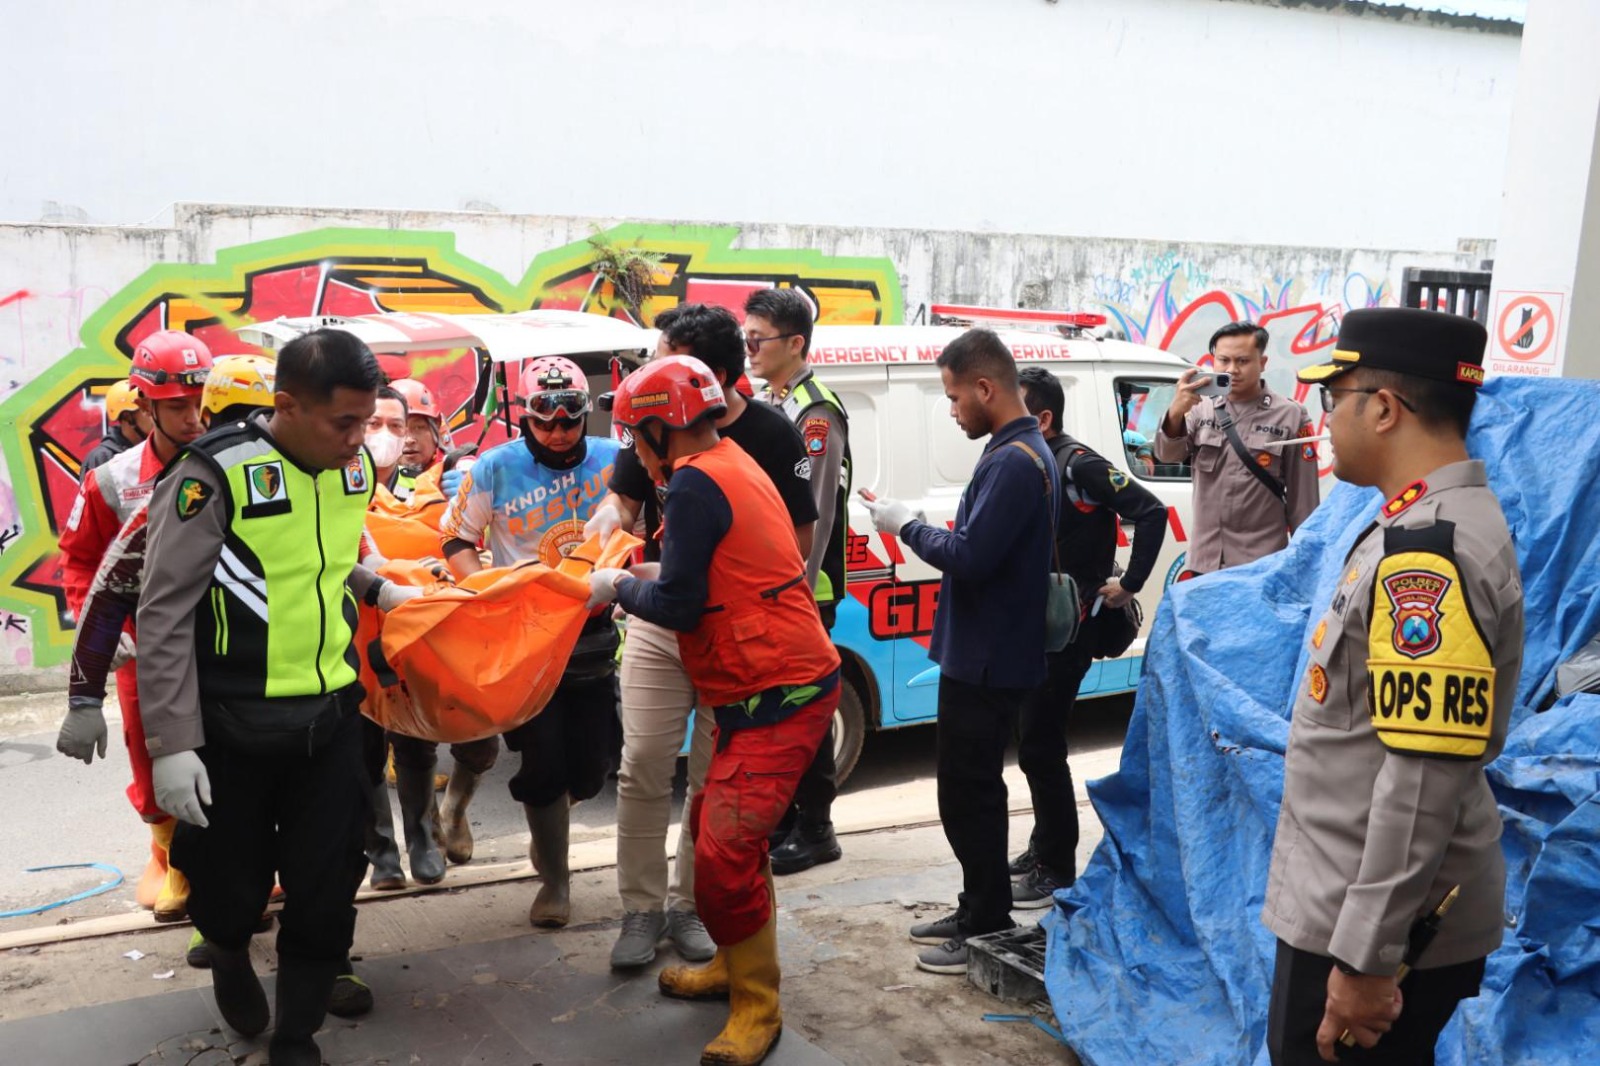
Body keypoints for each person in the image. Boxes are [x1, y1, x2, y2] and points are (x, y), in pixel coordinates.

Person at [136, 328, 420, 1066]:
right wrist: (172, 744)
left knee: (328, 888)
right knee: (229, 889)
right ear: (286, 405)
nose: (361, 441)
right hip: (231, 726)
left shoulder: (352, 470)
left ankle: (296, 1036)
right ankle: (230, 954)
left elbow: (316, 561)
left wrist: (376, 586)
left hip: (330, 719)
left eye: (369, 421)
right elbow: (163, 612)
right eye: (345, 422)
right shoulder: (212, 476)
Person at [1262, 308, 1522, 1065]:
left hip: (1371, 931)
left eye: (1333, 399)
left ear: (1383, 408)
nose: (1325, 419)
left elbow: (1422, 776)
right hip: (1355, 907)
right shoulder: (1418, 525)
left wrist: (1367, 960)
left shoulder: (1431, 555)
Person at [588, 354, 841, 1066]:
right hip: (758, 686)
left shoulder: (697, 482)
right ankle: (733, 964)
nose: (635, 451)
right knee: (713, 831)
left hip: (779, 690)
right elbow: (705, 573)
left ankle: (758, 1006)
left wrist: (614, 587)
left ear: (662, 428)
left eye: (636, 434)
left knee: (725, 852)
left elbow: (678, 603)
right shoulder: (725, 459)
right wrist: (644, 573)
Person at [859, 328, 1056, 975]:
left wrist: (905, 526)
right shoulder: (1016, 452)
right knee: (971, 792)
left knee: (969, 796)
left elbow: (970, 557)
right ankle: (978, 905)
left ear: (985, 388)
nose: (951, 410)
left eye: (952, 397)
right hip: (986, 650)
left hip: (988, 658)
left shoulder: (1014, 461)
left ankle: (986, 920)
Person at [436, 356, 622, 928]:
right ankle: (555, 881)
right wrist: (488, 593)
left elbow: (644, 527)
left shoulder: (616, 460)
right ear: (525, 416)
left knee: (595, 766)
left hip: (592, 636)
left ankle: (550, 830)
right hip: (524, 641)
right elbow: (456, 540)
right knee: (543, 763)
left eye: (571, 417)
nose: (559, 430)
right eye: (545, 418)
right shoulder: (495, 467)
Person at [57, 330, 214, 921]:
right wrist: (103, 630)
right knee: (151, 766)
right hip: (146, 652)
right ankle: (174, 862)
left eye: (201, 402)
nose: (194, 418)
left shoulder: (233, 465)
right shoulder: (111, 479)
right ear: (144, 405)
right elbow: (79, 561)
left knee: (234, 760)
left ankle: (241, 865)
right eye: (178, 406)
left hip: (225, 646)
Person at [1010, 366, 1167, 906]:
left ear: (1043, 417)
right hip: (1035, 627)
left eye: (1014, 405)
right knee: (1032, 743)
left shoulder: (1078, 463)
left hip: (1070, 628)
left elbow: (1151, 511)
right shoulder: (1030, 460)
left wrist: (1130, 584)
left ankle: (1055, 868)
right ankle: (1042, 846)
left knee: (1042, 746)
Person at [745, 287, 850, 876]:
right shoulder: (773, 402)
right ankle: (786, 820)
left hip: (806, 592)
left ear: (795, 343)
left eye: (758, 339)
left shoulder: (815, 411)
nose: (750, 349)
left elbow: (816, 512)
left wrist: (794, 593)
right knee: (778, 713)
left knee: (805, 710)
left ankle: (817, 828)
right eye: (747, 338)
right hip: (775, 587)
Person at [1155, 321, 1319, 577]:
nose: (1232, 370)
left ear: (1262, 363)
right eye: (1224, 360)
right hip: (1204, 562)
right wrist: (1175, 413)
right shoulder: (1199, 408)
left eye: (1243, 361)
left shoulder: (1290, 416)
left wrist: (1304, 570)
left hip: (1261, 567)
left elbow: (1304, 505)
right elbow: (1167, 455)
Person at [82, 380, 152, 476]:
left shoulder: (156, 452)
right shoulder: (101, 458)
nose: (153, 415)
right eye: (145, 410)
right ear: (127, 417)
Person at [392, 376, 446, 500]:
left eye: (419, 427)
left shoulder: (454, 470)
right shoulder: (370, 479)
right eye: (399, 428)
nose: (409, 440)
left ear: (435, 429)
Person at [366, 384, 409, 492]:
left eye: (395, 425)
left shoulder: (421, 487)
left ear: (406, 433)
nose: (385, 433)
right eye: (374, 423)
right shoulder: (334, 480)